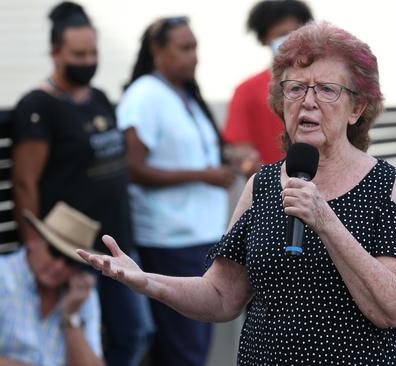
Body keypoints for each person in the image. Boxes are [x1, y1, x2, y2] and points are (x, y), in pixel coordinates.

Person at [81, 21, 396, 366]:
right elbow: (221, 297)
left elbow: (395, 308)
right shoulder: (262, 186)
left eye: (327, 89)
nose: (308, 102)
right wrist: (148, 282)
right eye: (295, 88)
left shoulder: (388, 185)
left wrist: (326, 222)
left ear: (356, 108)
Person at [9, 2, 154, 366]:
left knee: (134, 332)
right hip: (70, 249)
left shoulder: (99, 99)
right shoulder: (39, 106)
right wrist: (36, 245)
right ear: (55, 52)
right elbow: (24, 182)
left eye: (93, 53)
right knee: (109, 331)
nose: (87, 60)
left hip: (117, 242)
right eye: (78, 54)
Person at [116, 16, 237, 366]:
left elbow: (191, 151)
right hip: (170, 241)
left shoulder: (184, 95)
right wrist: (202, 175)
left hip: (203, 237)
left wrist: (230, 157)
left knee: (195, 346)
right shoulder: (144, 96)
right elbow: (132, 168)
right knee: (182, 351)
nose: (194, 56)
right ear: (157, 51)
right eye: (184, 48)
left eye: (195, 46)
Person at [0, 202, 103, 366]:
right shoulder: (3, 275)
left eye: (70, 261)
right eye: (54, 252)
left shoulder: (82, 293)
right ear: (34, 239)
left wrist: (71, 316)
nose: (58, 267)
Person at [222, 0, 313, 166]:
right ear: (264, 38)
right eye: (281, 34)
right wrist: (266, 181)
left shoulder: (324, 83)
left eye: (295, 32)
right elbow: (242, 151)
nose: (289, 39)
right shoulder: (246, 90)